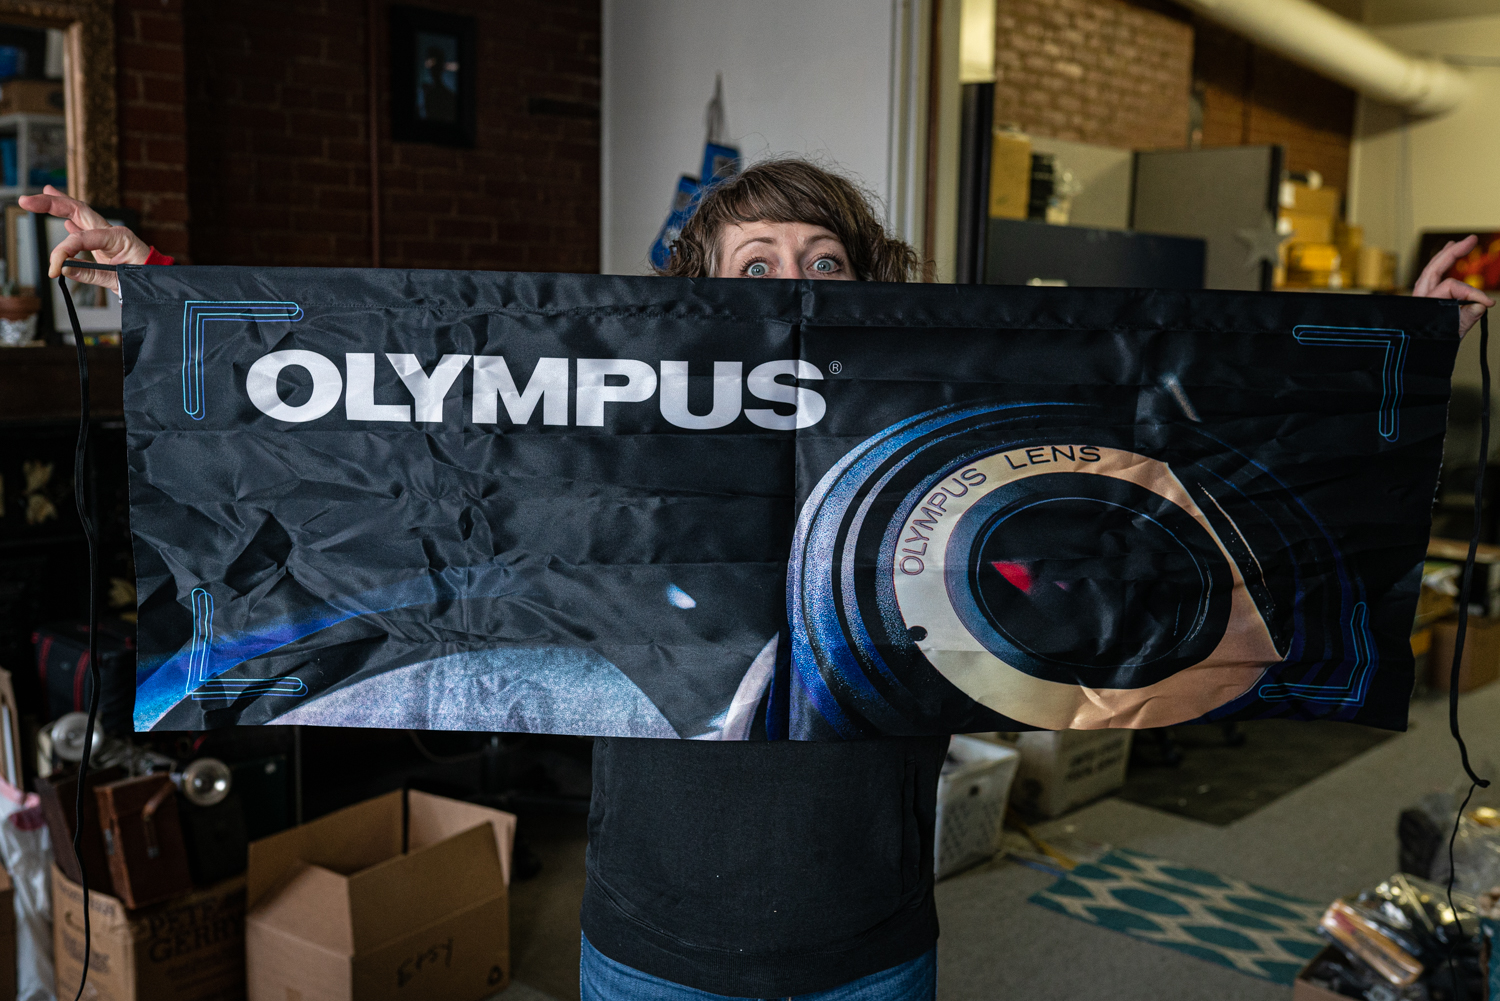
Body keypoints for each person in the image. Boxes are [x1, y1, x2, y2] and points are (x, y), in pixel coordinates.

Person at [26, 160, 1494, 1001]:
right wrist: (162, 284)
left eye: (820, 260)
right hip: (653, 942)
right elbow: (364, 406)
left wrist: (1404, 348)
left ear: (866, 286)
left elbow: (1189, 415)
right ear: (701, 287)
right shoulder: (597, 423)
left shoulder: (941, 422)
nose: (788, 279)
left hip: (869, 936)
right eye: (755, 260)